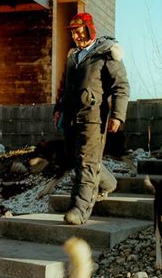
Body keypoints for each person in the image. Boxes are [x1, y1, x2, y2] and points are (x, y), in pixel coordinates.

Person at [54, 12, 129, 225]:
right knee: (76, 157)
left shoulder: (106, 54)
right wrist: (58, 109)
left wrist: (118, 115)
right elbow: (64, 88)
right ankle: (108, 182)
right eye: (73, 33)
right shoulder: (73, 57)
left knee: (86, 161)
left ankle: (80, 209)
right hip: (70, 118)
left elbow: (121, 86)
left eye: (79, 31)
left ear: (88, 30)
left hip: (94, 117)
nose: (76, 36)